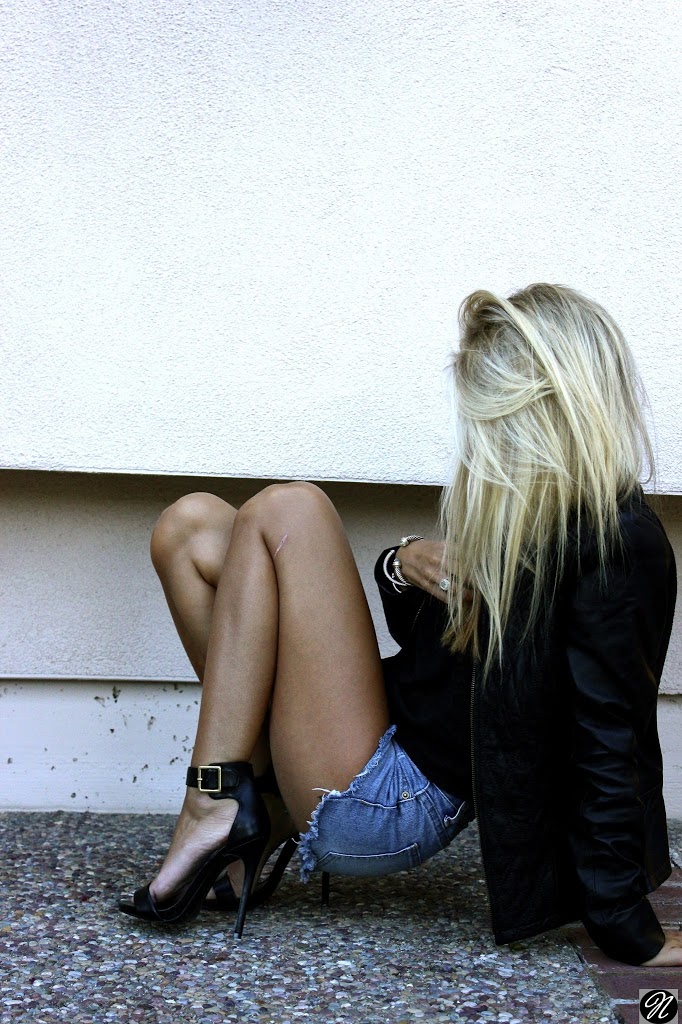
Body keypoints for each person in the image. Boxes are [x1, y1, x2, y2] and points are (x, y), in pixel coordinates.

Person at [119, 283, 680, 967]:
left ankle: (213, 803)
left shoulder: (619, 542)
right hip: (384, 724)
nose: (484, 433)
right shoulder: (526, 509)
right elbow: (431, 649)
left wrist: (624, 925)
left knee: (289, 511)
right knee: (190, 529)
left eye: (497, 411)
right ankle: (261, 802)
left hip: (395, 799)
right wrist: (399, 564)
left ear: (550, 405)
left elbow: (610, 737)